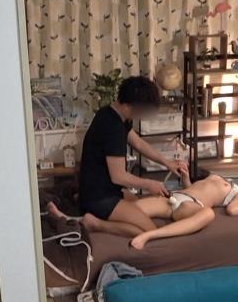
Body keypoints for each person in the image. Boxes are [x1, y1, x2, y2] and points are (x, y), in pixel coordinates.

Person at [77, 76, 187, 238]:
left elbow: (139, 144)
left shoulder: (113, 114)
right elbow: (118, 176)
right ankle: (95, 224)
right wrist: (150, 184)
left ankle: (101, 218)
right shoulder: (112, 128)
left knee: (139, 206)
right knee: (153, 232)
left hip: (105, 191)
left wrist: (167, 162)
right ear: (135, 106)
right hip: (99, 198)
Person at [126, 170, 238, 250]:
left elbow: (233, 210)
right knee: (127, 211)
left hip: (191, 205)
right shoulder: (229, 180)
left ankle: (149, 235)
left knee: (208, 214)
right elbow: (193, 188)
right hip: (174, 197)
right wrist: (186, 178)